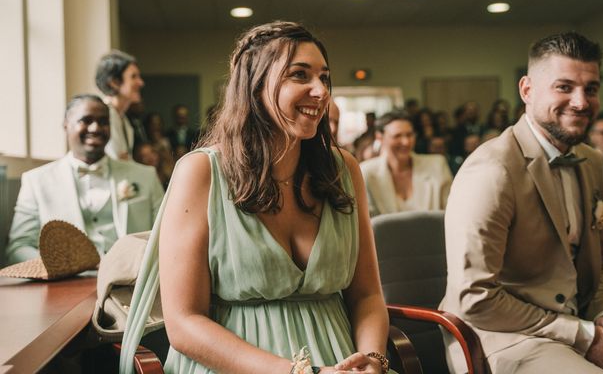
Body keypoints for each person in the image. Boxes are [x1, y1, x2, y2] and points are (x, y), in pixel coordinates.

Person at [120, 22, 391, 374]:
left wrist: (373, 360)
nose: (321, 91)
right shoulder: (201, 173)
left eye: (324, 78)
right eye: (300, 75)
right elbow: (184, 321)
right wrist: (298, 372)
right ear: (256, 85)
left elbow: (367, 294)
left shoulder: (344, 170)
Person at [440, 32, 603, 374]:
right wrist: (585, 336)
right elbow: (474, 298)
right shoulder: (492, 169)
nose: (581, 102)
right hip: (504, 335)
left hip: (585, 319)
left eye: (590, 89)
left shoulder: (592, 162)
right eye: (564, 87)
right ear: (527, 90)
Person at [6, 95, 164, 264]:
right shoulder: (37, 181)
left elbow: (166, 235)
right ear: (66, 125)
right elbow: (18, 247)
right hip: (63, 286)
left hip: (133, 285)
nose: (95, 128)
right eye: (86, 120)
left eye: (103, 122)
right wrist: (58, 267)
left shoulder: (145, 176)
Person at [360, 110, 452, 216]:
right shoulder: (366, 172)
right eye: (397, 136)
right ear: (380, 137)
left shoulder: (437, 165)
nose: (406, 142)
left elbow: (451, 211)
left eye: (409, 135)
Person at [95, 50, 145, 160]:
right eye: (133, 77)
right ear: (114, 82)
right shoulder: (104, 118)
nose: (141, 83)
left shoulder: (122, 119)